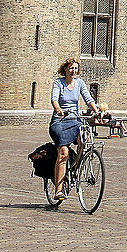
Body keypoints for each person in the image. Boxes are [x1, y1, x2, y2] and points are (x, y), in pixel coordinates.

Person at [50, 56, 101, 202]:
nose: (74, 71)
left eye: (76, 69)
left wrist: (96, 111)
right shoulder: (58, 83)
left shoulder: (79, 83)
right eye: (71, 68)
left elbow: (88, 99)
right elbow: (54, 99)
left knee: (86, 140)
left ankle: (76, 166)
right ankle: (58, 190)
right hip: (59, 121)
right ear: (65, 69)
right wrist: (58, 109)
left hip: (75, 119)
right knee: (63, 152)